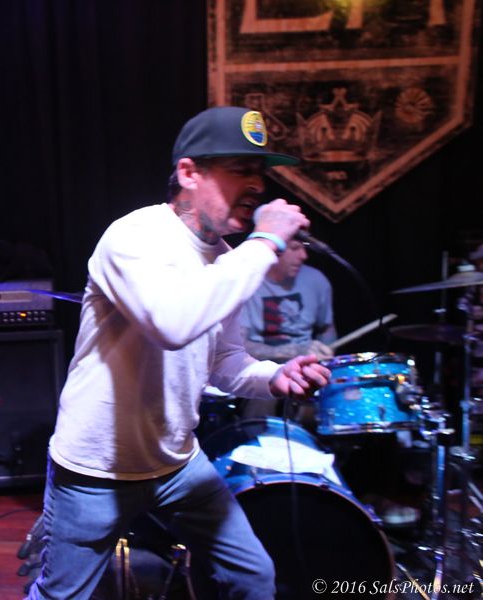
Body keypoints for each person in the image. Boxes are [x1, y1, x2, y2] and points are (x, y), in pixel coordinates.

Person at [26, 106, 330, 600]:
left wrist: (273, 377)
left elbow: (224, 359)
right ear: (189, 173)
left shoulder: (229, 258)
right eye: (241, 169)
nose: (257, 185)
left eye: (260, 172)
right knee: (63, 596)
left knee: (253, 577)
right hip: (97, 469)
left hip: (178, 463)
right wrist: (266, 241)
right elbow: (172, 324)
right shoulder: (135, 237)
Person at [238, 238, 336, 419]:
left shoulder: (316, 280)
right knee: (264, 400)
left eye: (304, 248)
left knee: (335, 395)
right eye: (295, 248)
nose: (304, 256)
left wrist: (326, 355)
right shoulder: (247, 283)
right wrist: (295, 350)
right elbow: (239, 347)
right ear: (274, 250)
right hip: (261, 368)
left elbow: (326, 329)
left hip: (305, 367)